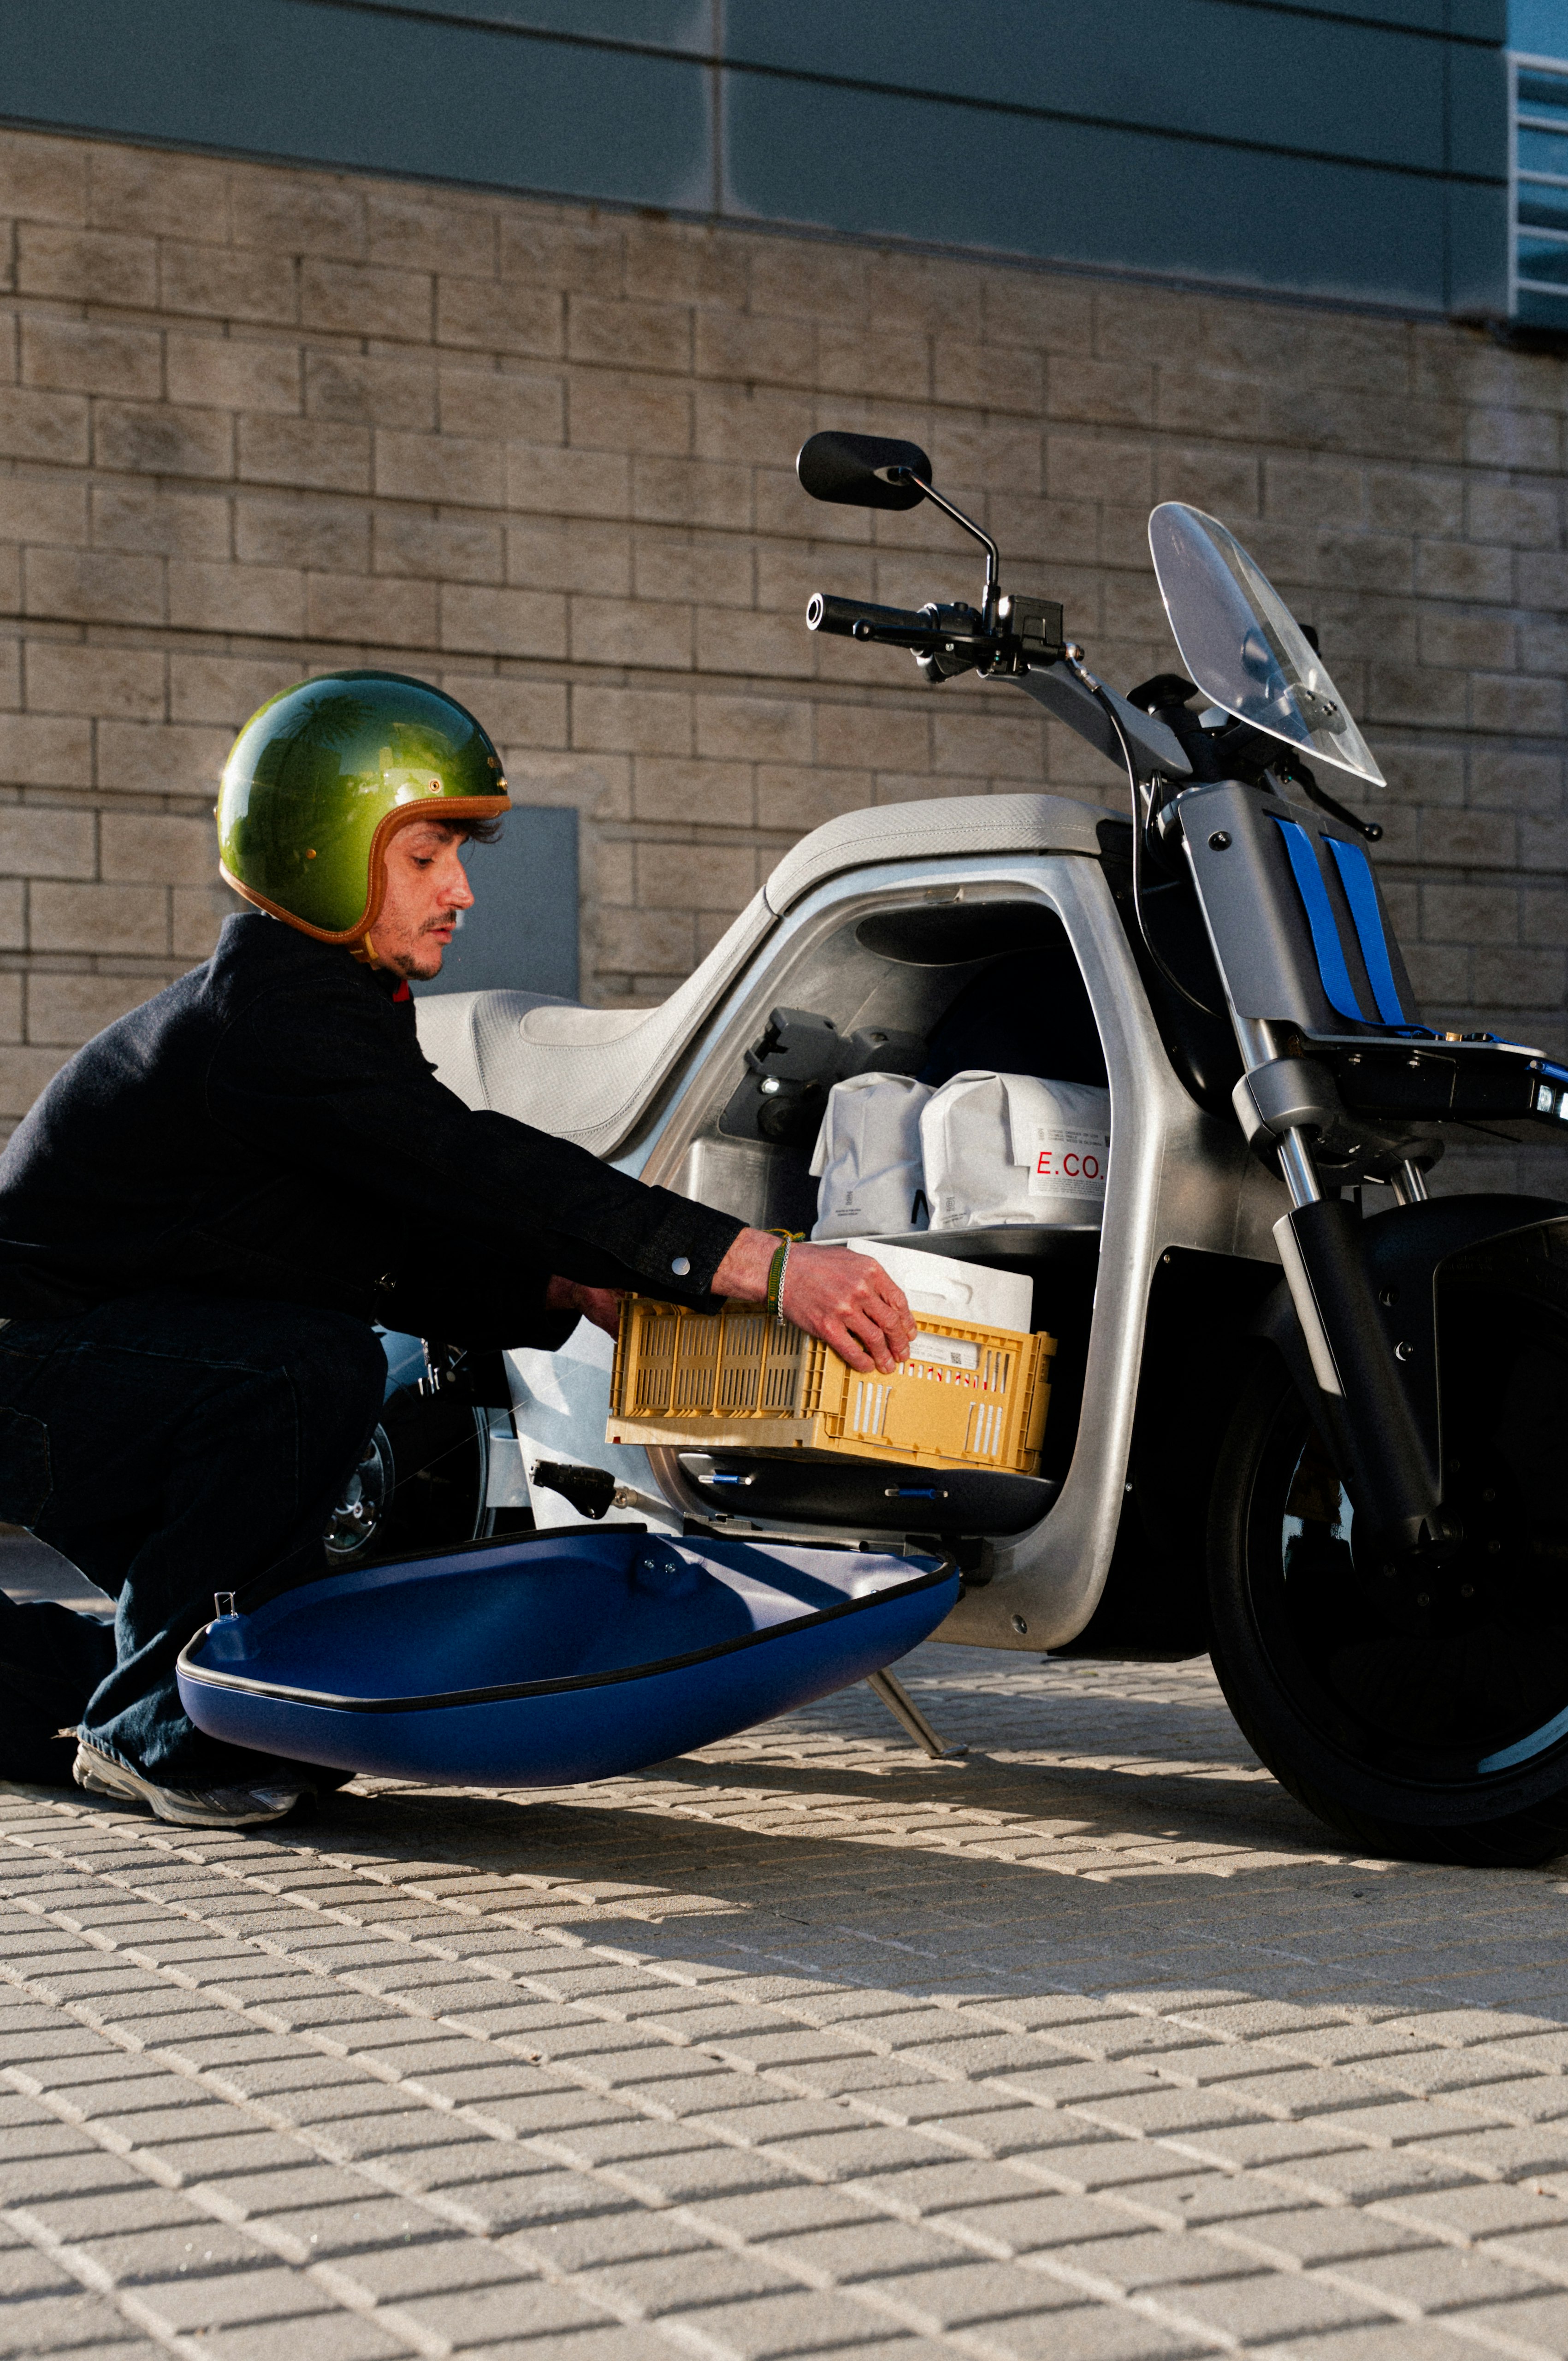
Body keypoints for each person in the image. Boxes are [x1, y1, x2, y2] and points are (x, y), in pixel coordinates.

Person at [0, 670, 914, 1829]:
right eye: (428, 856)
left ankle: (143, 1716)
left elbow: (383, 1235)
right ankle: (157, 1745)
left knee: (245, 1650)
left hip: (97, 1366)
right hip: (36, 1370)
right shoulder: (275, 1012)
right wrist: (757, 1264)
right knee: (310, 1373)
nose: (465, 890)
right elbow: (471, 1164)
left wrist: (569, 1281)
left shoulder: (322, 1008)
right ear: (327, 849)